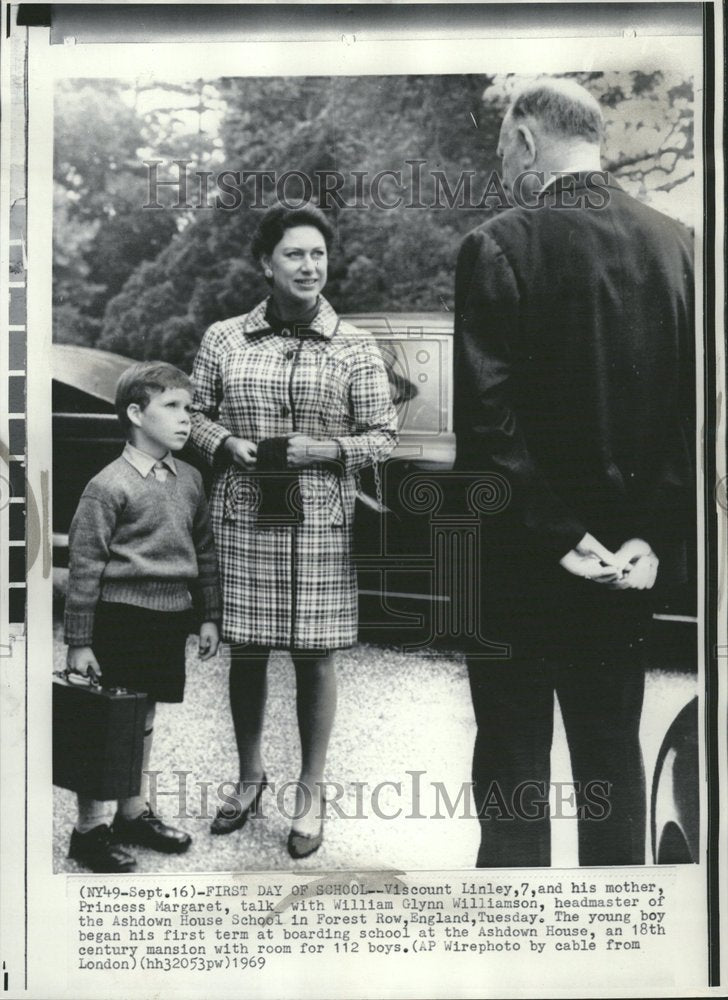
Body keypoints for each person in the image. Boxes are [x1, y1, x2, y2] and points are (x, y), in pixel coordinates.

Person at [453, 78, 695, 867]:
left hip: (521, 565)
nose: (500, 168)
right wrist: (651, 540)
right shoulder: (679, 244)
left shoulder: (497, 243)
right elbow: (697, 420)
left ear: (525, 139)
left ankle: (519, 963)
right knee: (612, 767)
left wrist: (560, 534)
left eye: (500, 151)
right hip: (630, 565)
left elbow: (488, 425)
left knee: (515, 772)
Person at [190, 204, 398, 859]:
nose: (309, 267)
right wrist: (227, 442)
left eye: (317, 254)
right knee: (247, 649)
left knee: (315, 656)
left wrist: (327, 451)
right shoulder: (224, 339)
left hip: (319, 521)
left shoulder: (355, 345)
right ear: (265, 264)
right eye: (294, 255)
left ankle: (311, 791)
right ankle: (251, 775)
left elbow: (383, 436)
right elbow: (192, 414)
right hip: (245, 512)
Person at [64, 362, 221, 873]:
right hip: (119, 619)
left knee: (144, 719)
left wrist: (207, 616)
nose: (186, 420)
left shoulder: (191, 479)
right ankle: (89, 831)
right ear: (135, 413)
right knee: (106, 722)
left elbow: (205, 552)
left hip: (166, 620)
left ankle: (132, 813)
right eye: (172, 407)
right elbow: (84, 569)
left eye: (189, 408)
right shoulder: (107, 486)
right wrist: (80, 641)